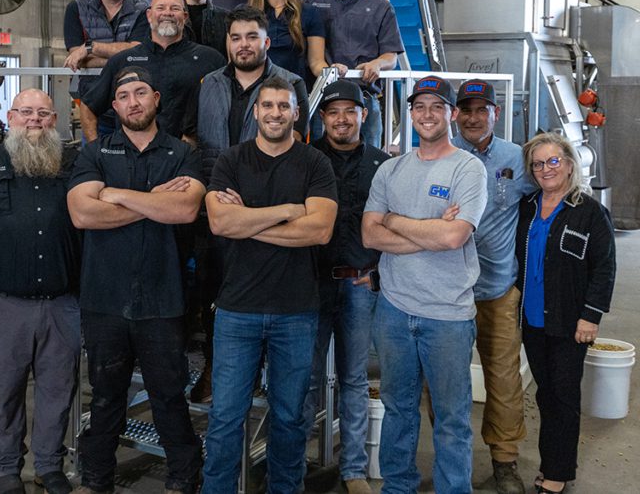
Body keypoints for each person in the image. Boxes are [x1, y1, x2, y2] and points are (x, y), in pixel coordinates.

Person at [67, 66, 205, 494]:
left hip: (162, 300)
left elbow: (184, 211)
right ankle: (96, 479)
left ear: (156, 99)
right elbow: (82, 213)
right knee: (106, 396)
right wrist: (154, 202)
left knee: (168, 395)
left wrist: (117, 194)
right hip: (103, 299)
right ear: (114, 106)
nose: (133, 102)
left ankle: (183, 478)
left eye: (141, 93)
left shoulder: (181, 154)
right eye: (124, 96)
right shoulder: (94, 153)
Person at [201, 76, 338, 494]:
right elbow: (221, 222)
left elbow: (319, 231)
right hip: (236, 310)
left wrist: (250, 223)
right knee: (225, 417)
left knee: (290, 417)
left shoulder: (315, 163)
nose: (275, 113)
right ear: (255, 112)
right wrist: (286, 211)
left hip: (295, 310)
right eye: (268, 106)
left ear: (296, 112)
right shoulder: (230, 160)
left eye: (284, 106)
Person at [361, 75, 487, 494]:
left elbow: (454, 238)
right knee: (398, 409)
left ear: (451, 114)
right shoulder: (390, 168)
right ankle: (398, 487)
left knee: (451, 417)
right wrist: (427, 231)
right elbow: (369, 235)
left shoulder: (469, 168)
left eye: (437, 106)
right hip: (394, 310)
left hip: (448, 315)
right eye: (420, 106)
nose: (427, 114)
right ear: (410, 114)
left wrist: (395, 220)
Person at [182, 3, 310, 403]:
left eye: (251, 37)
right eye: (235, 37)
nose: (243, 45)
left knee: (265, 298)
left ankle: (263, 373)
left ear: (266, 41)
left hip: (268, 210)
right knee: (211, 290)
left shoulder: (289, 84)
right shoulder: (209, 83)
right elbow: (195, 140)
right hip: (215, 207)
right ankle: (215, 368)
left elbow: (301, 146)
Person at [0, 89, 81, 494]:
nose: (34, 119)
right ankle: (6, 468)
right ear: (10, 116)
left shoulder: (76, 164)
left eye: (43, 113)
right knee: (3, 391)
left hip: (64, 304)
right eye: (25, 111)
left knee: (58, 390)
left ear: (54, 119)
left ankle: (49, 467)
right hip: (4, 305)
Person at [300, 80, 389, 494]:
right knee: (305, 376)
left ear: (362, 115)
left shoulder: (382, 164)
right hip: (310, 284)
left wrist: (380, 271)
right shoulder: (305, 158)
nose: (341, 119)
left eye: (349, 111)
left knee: (353, 378)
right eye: (333, 112)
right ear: (323, 118)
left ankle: (352, 469)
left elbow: (390, 222)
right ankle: (295, 460)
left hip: (358, 284)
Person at [515, 132, 616, 494]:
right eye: (538, 164)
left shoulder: (589, 212)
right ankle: (552, 464)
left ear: (570, 164)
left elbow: (604, 268)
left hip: (570, 322)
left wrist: (591, 316)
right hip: (532, 320)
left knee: (562, 396)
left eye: (553, 161)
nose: (546, 169)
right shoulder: (526, 207)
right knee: (546, 394)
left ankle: (556, 476)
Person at [450, 78, 535, 494]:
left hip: (498, 289)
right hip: (447, 291)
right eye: (465, 110)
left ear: (496, 114)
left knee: (502, 378)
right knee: (447, 380)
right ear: (455, 115)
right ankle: (453, 459)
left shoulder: (517, 159)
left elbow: (548, 198)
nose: (472, 117)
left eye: (481, 110)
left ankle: (504, 462)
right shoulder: (439, 155)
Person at [79, 0, 225, 142]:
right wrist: (95, 152)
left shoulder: (211, 60)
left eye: (175, 8)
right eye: (160, 8)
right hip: (133, 161)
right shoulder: (122, 61)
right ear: (149, 15)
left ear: (185, 16)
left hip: (193, 161)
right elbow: (88, 107)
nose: (167, 13)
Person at [303, 0, 405, 148]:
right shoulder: (311, 3)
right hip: (324, 99)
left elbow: (391, 56)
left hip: (365, 99)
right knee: (322, 165)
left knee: (369, 164)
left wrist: (377, 63)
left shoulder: (381, 7)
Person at [63, 0, 151, 138]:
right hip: (93, 106)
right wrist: (124, 55)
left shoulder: (144, 9)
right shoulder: (76, 8)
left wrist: (90, 48)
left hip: (134, 106)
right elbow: (76, 58)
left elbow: (139, 53)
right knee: (94, 161)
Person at [248, 0, 326, 85]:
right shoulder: (248, 15)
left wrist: (333, 72)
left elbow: (316, 63)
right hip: (257, 95)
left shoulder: (309, 13)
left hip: (296, 95)